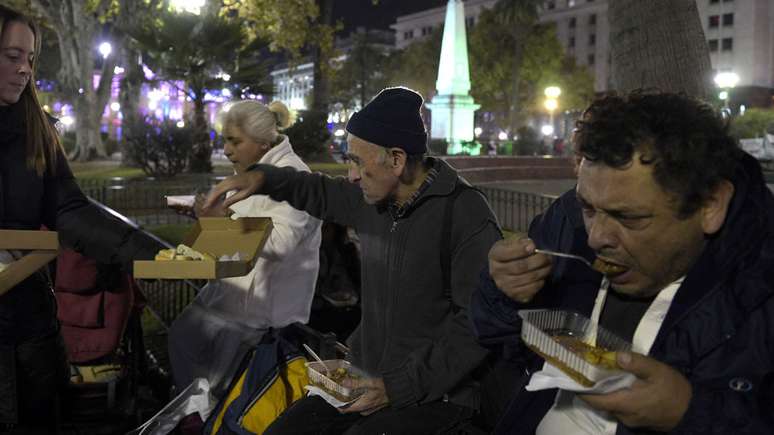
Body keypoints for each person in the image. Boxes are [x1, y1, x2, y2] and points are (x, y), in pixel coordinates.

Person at [471, 91, 774, 434]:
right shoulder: (568, 225)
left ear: (710, 206)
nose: (596, 237)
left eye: (629, 218)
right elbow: (496, 337)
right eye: (588, 208)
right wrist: (503, 290)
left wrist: (688, 412)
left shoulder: (758, 290)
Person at [204, 86, 502, 434]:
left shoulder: (465, 214)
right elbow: (317, 190)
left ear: (396, 160)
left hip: (438, 397)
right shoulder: (371, 199)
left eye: (358, 161)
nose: (352, 175)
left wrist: (397, 387)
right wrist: (263, 177)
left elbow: (478, 324)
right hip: (363, 380)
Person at [0, 6, 163, 434]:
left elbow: (68, 209)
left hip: (31, 333)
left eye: (30, 58)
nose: (24, 69)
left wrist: (155, 254)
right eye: (12, 56)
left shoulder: (38, 129)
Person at [166, 100, 322, 427]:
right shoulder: (249, 172)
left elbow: (281, 243)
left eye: (234, 141)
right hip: (229, 300)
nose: (226, 150)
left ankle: (205, 425)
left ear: (263, 142)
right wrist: (207, 220)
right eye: (225, 140)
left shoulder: (295, 177)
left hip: (262, 316)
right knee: (184, 342)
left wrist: (223, 221)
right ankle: (200, 423)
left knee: (221, 396)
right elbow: (235, 235)